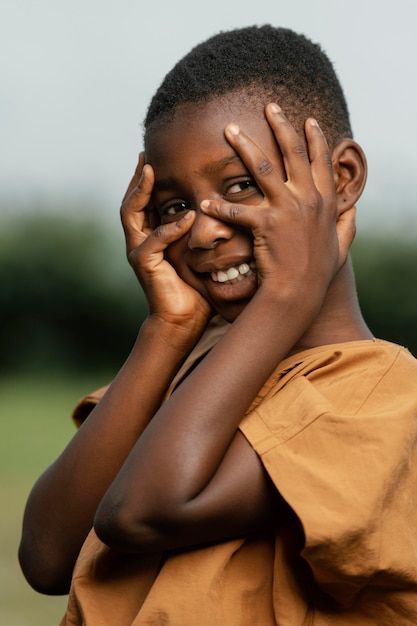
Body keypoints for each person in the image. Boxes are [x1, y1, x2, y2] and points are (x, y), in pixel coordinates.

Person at [19, 25, 417, 625]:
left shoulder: (383, 397)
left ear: (341, 180)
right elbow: (47, 558)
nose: (204, 231)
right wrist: (168, 329)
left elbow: (141, 512)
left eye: (241, 185)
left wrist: (288, 293)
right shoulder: (185, 378)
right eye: (175, 206)